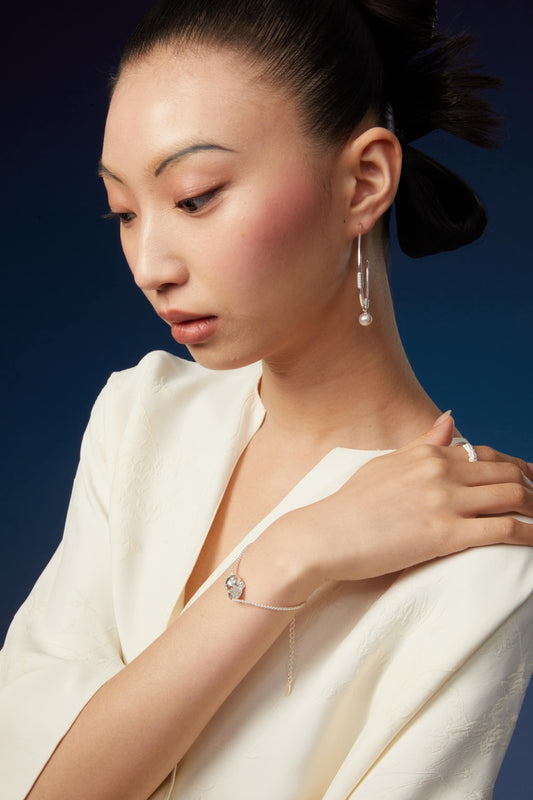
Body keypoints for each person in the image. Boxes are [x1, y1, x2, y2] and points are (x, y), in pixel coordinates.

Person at [1, 0, 533, 798]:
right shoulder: (141, 417)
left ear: (363, 181)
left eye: (194, 197)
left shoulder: (478, 557)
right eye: (124, 212)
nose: (148, 266)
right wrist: (289, 556)